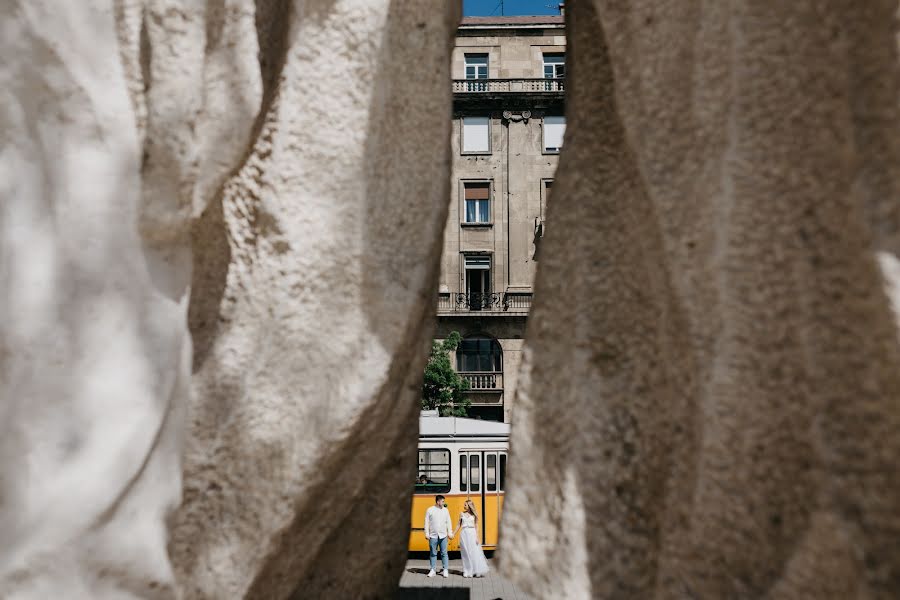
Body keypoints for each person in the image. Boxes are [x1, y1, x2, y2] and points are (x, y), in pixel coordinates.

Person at [452, 499, 489, 578]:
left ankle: (473, 570)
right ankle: (466, 571)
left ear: (469, 506)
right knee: (465, 553)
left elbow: (476, 526)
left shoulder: (474, 515)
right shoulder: (461, 514)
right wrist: (453, 533)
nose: (464, 506)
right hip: (464, 534)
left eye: (465, 505)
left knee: (473, 553)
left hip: (472, 534)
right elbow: (458, 525)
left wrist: (477, 537)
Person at [424, 495, 453, 578]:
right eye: (443, 501)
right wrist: (427, 533)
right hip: (433, 536)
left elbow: (448, 522)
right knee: (433, 553)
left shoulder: (445, 510)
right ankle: (433, 570)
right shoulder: (430, 510)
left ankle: (445, 570)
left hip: (443, 535)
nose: (444, 503)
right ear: (438, 502)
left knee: (444, 553)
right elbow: (426, 522)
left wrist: (449, 532)